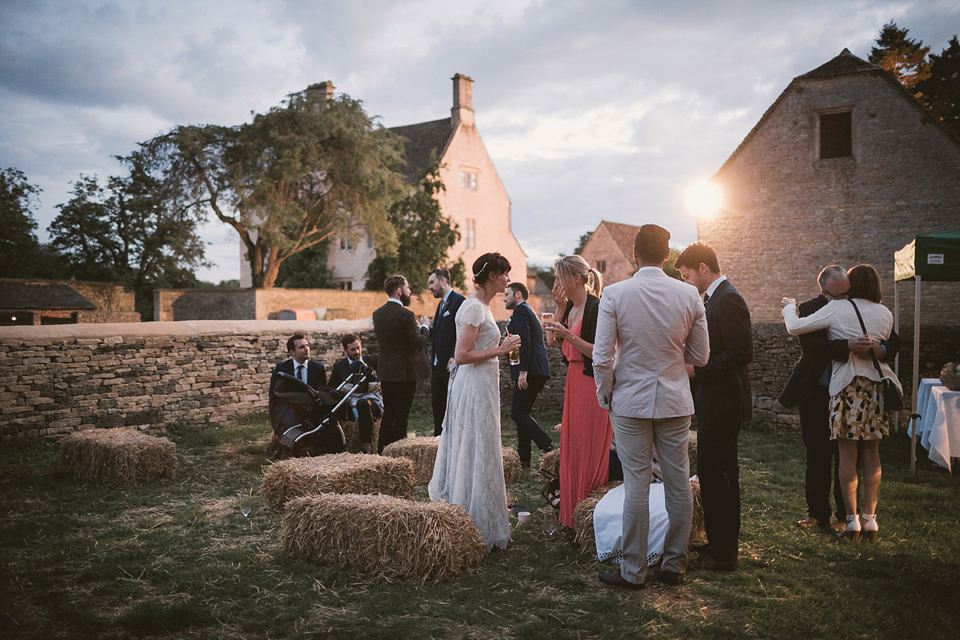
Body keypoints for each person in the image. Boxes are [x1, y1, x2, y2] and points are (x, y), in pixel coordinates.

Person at [592, 224, 709, 590]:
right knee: (677, 483)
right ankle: (674, 565)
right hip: (675, 399)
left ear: (634, 251)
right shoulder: (689, 295)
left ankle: (633, 571)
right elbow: (701, 356)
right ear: (668, 254)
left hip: (630, 400)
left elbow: (601, 357)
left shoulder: (615, 293)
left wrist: (604, 393)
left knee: (636, 485)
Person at [782, 264, 900, 543]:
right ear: (823, 291)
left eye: (846, 292)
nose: (843, 298)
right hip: (825, 388)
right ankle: (828, 515)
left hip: (845, 389)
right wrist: (849, 344)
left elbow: (892, 341)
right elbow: (812, 348)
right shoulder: (816, 307)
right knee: (821, 453)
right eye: (836, 295)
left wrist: (880, 348)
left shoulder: (847, 308)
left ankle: (847, 517)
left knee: (847, 456)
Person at [429, 252, 521, 552]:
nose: (508, 279)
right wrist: (501, 349)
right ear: (492, 277)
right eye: (505, 273)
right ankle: (471, 518)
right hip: (474, 386)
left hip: (483, 385)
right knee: (477, 443)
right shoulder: (472, 308)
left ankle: (482, 514)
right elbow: (461, 355)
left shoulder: (482, 306)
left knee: (483, 444)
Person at [675, 242, 753, 572]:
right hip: (715, 401)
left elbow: (741, 352)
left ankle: (723, 553)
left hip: (724, 402)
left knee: (715, 473)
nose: (686, 281)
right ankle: (720, 543)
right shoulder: (713, 299)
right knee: (717, 473)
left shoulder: (729, 299)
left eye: (687, 275)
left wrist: (698, 370)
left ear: (704, 268)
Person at [543, 255, 612, 530]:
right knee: (572, 448)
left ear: (576, 279)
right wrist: (559, 308)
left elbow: (600, 353)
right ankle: (571, 516)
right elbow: (551, 340)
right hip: (573, 381)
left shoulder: (598, 307)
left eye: (560, 277)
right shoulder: (570, 307)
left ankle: (589, 513)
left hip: (590, 384)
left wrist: (569, 336)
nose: (556, 283)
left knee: (588, 446)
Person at [372, 275, 430, 453]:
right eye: (408, 289)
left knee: (388, 413)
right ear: (399, 291)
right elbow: (417, 343)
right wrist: (425, 327)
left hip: (387, 371)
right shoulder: (406, 315)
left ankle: (382, 451)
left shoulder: (378, 314)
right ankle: (397, 453)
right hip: (405, 372)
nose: (410, 292)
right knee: (402, 414)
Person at [504, 282, 554, 468]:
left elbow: (523, 341)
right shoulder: (525, 310)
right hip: (533, 371)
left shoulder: (521, 310)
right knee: (522, 413)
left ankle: (549, 447)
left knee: (517, 412)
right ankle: (523, 458)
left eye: (507, 294)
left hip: (531, 371)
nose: (504, 298)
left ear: (518, 294)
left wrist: (523, 372)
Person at [327, 333, 381, 454]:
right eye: (352, 349)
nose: (357, 351)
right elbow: (331, 387)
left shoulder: (373, 361)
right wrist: (339, 391)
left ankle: (367, 444)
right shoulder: (339, 366)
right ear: (345, 350)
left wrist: (382, 383)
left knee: (363, 404)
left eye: (358, 348)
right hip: (349, 404)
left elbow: (388, 376)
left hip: (372, 401)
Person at [427, 268, 465, 436]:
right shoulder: (440, 305)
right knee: (438, 410)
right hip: (437, 368)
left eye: (431, 283)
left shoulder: (459, 301)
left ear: (443, 281)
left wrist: (454, 357)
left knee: (452, 410)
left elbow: (462, 333)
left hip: (451, 367)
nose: (429, 287)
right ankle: (438, 444)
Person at [268, 333, 327, 437]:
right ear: (292, 352)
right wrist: (275, 426)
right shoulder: (281, 368)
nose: (306, 349)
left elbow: (321, 395)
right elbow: (273, 397)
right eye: (301, 347)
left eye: (307, 345)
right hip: (288, 410)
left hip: (311, 411)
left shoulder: (318, 369)